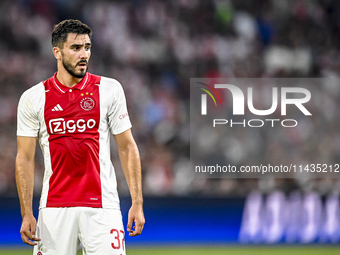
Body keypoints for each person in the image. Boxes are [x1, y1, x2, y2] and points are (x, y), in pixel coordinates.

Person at [15, 19, 145, 255]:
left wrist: (137, 202)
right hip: (53, 209)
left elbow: (127, 147)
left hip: (102, 207)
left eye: (87, 47)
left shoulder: (109, 90)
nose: (84, 54)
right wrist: (26, 212)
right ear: (57, 52)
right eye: (76, 48)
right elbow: (24, 157)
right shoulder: (33, 98)